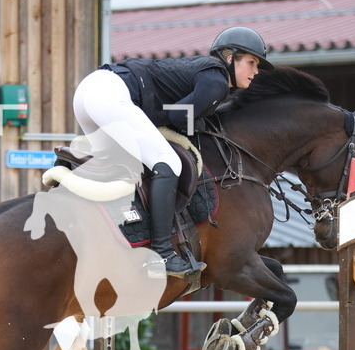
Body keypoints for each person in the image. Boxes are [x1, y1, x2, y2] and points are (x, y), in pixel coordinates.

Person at [71, 26, 272, 278]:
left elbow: (175, 114)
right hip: (110, 95)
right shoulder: (217, 81)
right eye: (252, 62)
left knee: (132, 165)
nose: (256, 71)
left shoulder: (210, 78)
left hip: (88, 93)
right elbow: (179, 116)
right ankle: (162, 254)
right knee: (167, 163)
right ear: (230, 58)